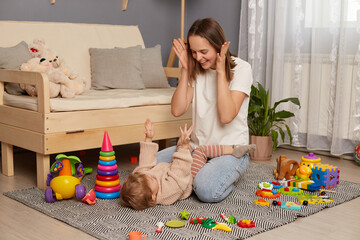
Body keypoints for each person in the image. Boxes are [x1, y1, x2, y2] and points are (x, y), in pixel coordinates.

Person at [157, 18, 254, 203]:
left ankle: (218, 176)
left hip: (229, 151)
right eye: (193, 52)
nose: (198, 57)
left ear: (218, 46)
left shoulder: (242, 68)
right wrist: (185, 70)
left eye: (203, 51)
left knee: (206, 190)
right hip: (196, 149)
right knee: (152, 163)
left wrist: (220, 73)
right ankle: (200, 172)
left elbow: (226, 116)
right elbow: (177, 110)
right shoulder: (197, 68)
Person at [119, 119, 194, 210]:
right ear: (153, 197)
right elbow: (179, 173)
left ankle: (186, 147)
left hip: (170, 169)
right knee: (198, 152)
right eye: (152, 179)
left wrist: (148, 138)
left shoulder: (144, 177)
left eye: (147, 176)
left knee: (178, 148)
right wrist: (184, 147)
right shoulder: (168, 192)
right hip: (187, 175)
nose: (150, 175)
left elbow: (145, 163)